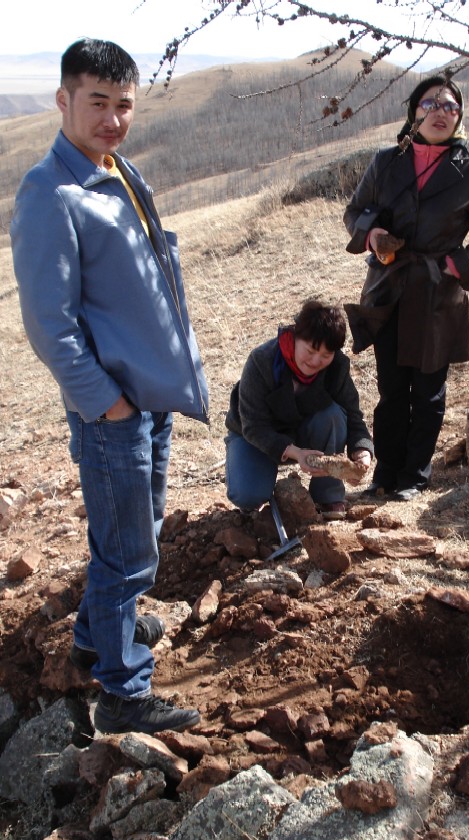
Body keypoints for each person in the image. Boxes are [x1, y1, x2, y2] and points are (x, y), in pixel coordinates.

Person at [10, 39, 209, 735]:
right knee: (127, 551)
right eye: (97, 102)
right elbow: (49, 324)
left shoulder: (117, 170)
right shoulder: (49, 193)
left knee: (135, 530)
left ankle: (97, 635)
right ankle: (124, 692)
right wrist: (107, 402)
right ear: (63, 100)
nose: (113, 118)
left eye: (124, 104)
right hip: (112, 409)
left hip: (144, 400)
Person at [344, 76, 469, 501]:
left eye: (450, 106)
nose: (440, 111)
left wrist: (459, 263)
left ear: (459, 118)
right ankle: (387, 473)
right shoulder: (386, 162)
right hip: (388, 286)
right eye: (431, 103)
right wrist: (373, 233)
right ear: (414, 112)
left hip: (438, 291)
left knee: (428, 390)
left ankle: (415, 476)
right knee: (391, 388)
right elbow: (354, 211)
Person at [224, 300, 373, 518]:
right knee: (248, 494)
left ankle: (328, 496)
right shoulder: (262, 361)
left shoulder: (337, 366)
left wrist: (362, 451)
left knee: (333, 416)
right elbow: (254, 427)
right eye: (311, 350)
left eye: (325, 355)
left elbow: (352, 415)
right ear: (295, 337)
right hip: (254, 437)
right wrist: (296, 453)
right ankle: (254, 487)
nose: (316, 361)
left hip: (304, 430)